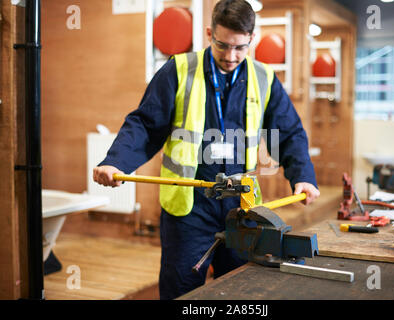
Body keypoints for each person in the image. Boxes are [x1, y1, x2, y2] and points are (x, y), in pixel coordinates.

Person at [93, 0, 320, 300]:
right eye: (222, 45)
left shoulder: (264, 78)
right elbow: (145, 124)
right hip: (189, 206)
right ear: (209, 33)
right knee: (182, 292)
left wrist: (302, 175)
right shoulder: (179, 69)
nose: (230, 56)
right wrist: (116, 161)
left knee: (241, 289)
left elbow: (289, 132)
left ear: (252, 38)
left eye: (239, 47)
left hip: (242, 207)